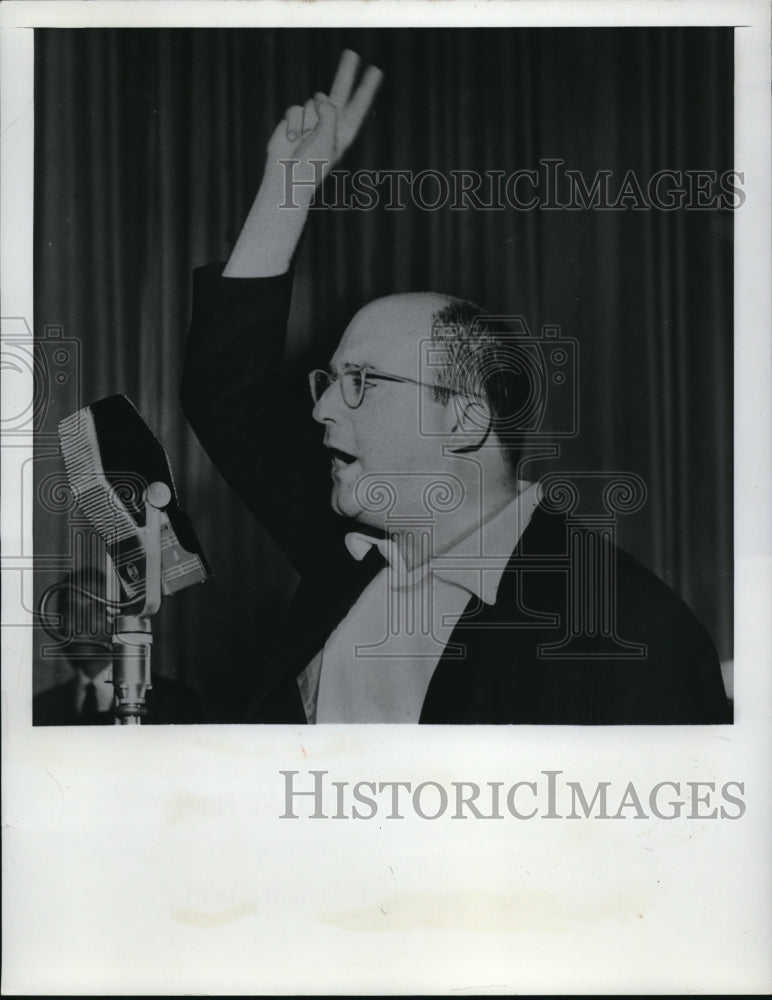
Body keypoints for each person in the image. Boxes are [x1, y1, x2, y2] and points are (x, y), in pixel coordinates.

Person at [181, 50, 731, 725]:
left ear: (464, 421)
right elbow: (227, 392)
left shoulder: (631, 632)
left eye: (360, 383)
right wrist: (287, 189)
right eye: (330, 380)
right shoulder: (351, 548)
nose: (320, 407)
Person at [34, 567, 202, 725]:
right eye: (72, 609)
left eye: (96, 609)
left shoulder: (177, 703)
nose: (81, 623)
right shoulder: (40, 709)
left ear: (120, 620)